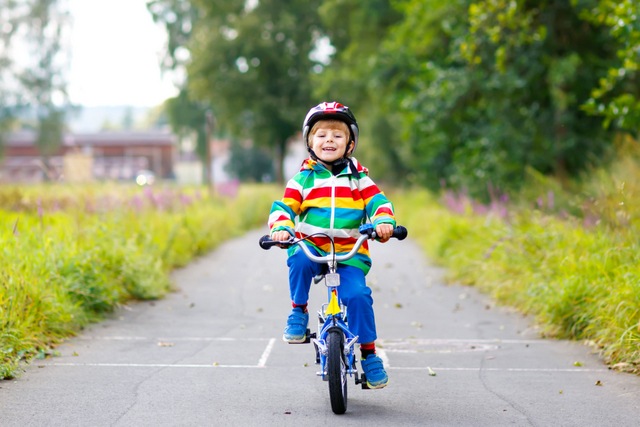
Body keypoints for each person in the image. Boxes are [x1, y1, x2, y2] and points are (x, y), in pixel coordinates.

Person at [268, 102, 396, 389]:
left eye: (338, 135)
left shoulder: (359, 179)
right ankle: (298, 311)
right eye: (321, 135)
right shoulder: (303, 179)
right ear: (309, 142)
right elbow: (283, 207)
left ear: (350, 144)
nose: (329, 140)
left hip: (350, 253)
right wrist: (281, 227)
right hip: (312, 248)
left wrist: (384, 222)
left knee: (359, 296)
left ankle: (369, 354)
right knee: (298, 260)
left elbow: (379, 203)